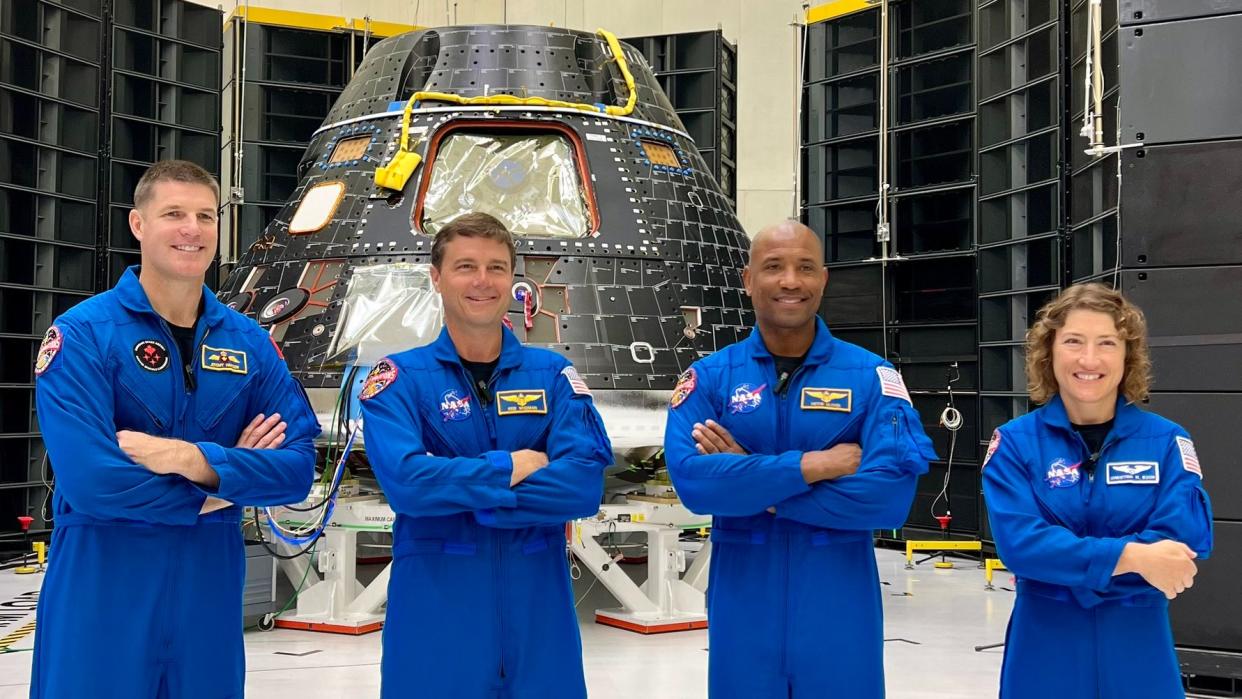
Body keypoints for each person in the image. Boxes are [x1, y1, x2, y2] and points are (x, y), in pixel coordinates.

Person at [30, 160, 321, 699]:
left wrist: (194, 460)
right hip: (103, 590)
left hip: (207, 598)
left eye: (205, 216)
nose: (192, 229)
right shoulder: (83, 336)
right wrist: (226, 484)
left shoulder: (250, 344)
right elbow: (92, 481)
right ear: (138, 225)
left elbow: (298, 468)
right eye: (174, 214)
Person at [664, 219, 937, 698]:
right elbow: (694, 483)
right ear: (748, 280)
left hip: (839, 610)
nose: (791, 281)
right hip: (743, 608)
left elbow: (889, 499)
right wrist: (812, 466)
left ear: (823, 280)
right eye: (774, 267)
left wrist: (760, 490)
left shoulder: (872, 378)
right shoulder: (709, 378)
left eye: (805, 268)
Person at [357, 212, 612, 699]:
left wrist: (457, 492)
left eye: (496, 267)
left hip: (540, 619)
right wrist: (510, 466)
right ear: (436, 277)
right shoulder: (399, 379)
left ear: (514, 279)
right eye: (465, 266)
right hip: (435, 615)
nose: (482, 281)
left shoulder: (553, 374)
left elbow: (582, 486)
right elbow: (407, 485)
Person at [982, 283, 1212, 698]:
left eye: (1107, 343)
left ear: (1128, 356)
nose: (1089, 359)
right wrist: (1134, 558)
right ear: (1049, 352)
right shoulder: (1014, 444)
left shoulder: (1168, 442)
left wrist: (1071, 565)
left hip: (1138, 643)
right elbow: (1020, 546)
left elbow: (1184, 540)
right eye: (1073, 341)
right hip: (1044, 646)